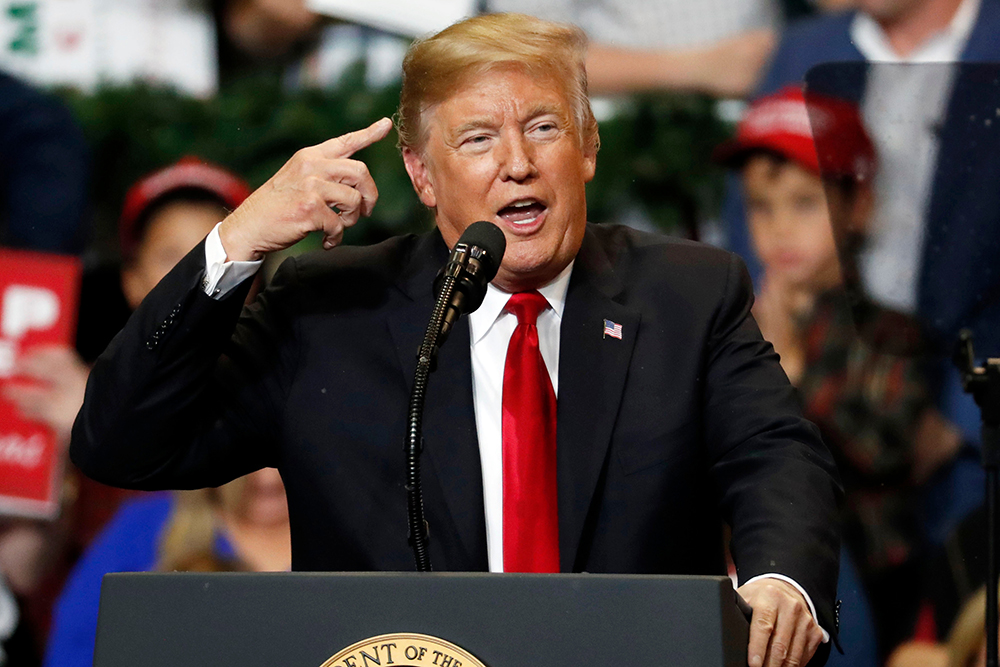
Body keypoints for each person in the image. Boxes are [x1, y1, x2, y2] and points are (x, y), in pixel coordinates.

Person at [72, 13, 841, 667]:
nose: (517, 163)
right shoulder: (327, 313)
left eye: (543, 127)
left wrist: (782, 580)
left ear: (588, 147)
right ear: (423, 174)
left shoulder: (685, 293)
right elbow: (122, 442)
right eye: (477, 138)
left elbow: (776, 453)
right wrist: (235, 243)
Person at [716, 86, 963, 659]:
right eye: (760, 205)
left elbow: (883, 451)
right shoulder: (729, 324)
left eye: (805, 203)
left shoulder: (891, 334)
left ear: (859, 206)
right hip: (743, 574)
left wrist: (790, 365)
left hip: (870, 589)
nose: (780, 227)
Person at [43, 468, 290, 667]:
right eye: (256, 453)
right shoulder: (145, 528)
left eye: (281, 453)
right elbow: (76, 646)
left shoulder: (328, 534)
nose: (267, 477)